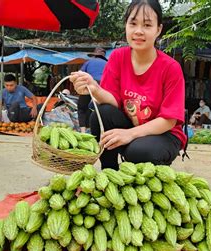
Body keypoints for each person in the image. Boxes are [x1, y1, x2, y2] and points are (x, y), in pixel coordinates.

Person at [70, 0, 186, 170]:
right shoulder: (118, 57)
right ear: (126, 25)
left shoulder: (170, 68)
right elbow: (114, 101)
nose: (138, 31)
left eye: (147, 25)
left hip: (163, 134)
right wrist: (94, 88)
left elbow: (168, 120)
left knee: (138, 152)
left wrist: (129, 134)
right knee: (100, 114)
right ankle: (109, 172)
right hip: (131, 128)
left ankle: (152, 169)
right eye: (133, 23)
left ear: (158, 29)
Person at [77, 47, 108, 133]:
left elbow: (80, 73)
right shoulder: (107, 63)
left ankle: (83, 131)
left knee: (82, 108)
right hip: (103, 87)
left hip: (89, 84)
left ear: (94, 55)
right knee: (99, 109)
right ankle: (98, 131)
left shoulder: (88, 62)